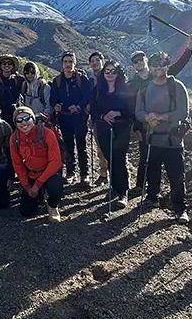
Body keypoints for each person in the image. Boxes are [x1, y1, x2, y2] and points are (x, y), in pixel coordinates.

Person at [130, 34, 192, 196]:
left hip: (171, 134)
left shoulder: (169, 80)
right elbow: (133, 108)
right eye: (135, 60)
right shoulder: (134, 85)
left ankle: (176, 204)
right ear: (133, 65)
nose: (139, 62)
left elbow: (180, 64)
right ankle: (146, 190)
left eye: (141, 59)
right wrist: (138, 126)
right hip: (148, 131)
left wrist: (189, 48)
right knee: (147, 161)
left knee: (173, 170)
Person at [135, 52, 191, 224]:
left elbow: (183, 112)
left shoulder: (177, 86)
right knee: (152, 171)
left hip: (172, 140)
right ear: (150, 68)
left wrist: (161, 117)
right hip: (152, 139)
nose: (159, 68)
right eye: (155, 65)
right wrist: (146, 117)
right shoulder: (144, 89)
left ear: (167, 66)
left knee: (176, 175)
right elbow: (138, 112)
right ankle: (152, 198)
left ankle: (180, 209)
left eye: (162, 65)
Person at [90, 60, 135, 209]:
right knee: (109, 156)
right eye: (107, 71)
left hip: (122, 128)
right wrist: (103, 116)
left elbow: (132, 110)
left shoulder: (126, 89)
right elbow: (93, 109)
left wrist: (118, 113)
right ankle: (115, 187)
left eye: (113, 71)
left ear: (118, 73)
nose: (110, 74)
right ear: (103, 73)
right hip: (104, 128)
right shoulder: (98, 89)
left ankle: (123, 191)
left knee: (119, 157)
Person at [10, 106, 64, 222]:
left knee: (55, 185)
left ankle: (53, 205)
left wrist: (37, 184)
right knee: (26, 211)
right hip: (32, 174)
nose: (23, 123)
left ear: (32, 119)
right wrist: (27, 186)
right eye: (19, 120)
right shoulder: (14, 139)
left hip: (49, 173)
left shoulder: (47, 133)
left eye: (26, 118)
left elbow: (55, 162)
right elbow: (18, 164)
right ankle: (39, 195)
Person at [50, 51, 92, 185]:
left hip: (79, 117)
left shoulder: (81, 79)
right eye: (65, 62)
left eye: (70, 62)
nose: (68, 64)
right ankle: (70, 172)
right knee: (68, 147)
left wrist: (79, 106)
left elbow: (87, 96)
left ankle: (84, 174)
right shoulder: (56, 81)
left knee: (81, 146)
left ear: (75, 63)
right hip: (65, 118)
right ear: (62, 64)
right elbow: (53, 99)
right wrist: (56, 105)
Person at [87, 51, 109, 186]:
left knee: (114, 148)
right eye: (92, 61)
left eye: (97, 60)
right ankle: (103, 174)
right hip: (96, 119)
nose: (94, 63)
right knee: (100, 148)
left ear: (102, 61)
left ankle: (118, 178)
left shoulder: (109, 76)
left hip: (110, 118)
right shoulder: (90, 80)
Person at [0, 54, 24, 125]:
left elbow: (31, 79)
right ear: (0, 66)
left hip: (15, 115)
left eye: (10, 63)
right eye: (4, 63)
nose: (7, 65)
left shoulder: (19, 79)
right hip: (0, 116)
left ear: (13, 66)